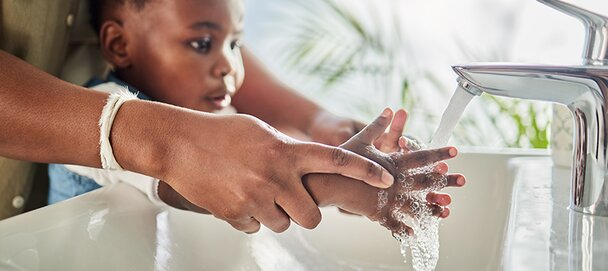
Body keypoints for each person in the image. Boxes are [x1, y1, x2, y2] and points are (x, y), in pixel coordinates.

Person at [46, 0, 463, 234]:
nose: (228, 66)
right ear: (119, 45)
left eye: (236, 44)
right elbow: (202, 181)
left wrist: (352, 164)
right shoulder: (103, 105)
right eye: (203, 42)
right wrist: (340, 184)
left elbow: (276, 161)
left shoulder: (217, 113)